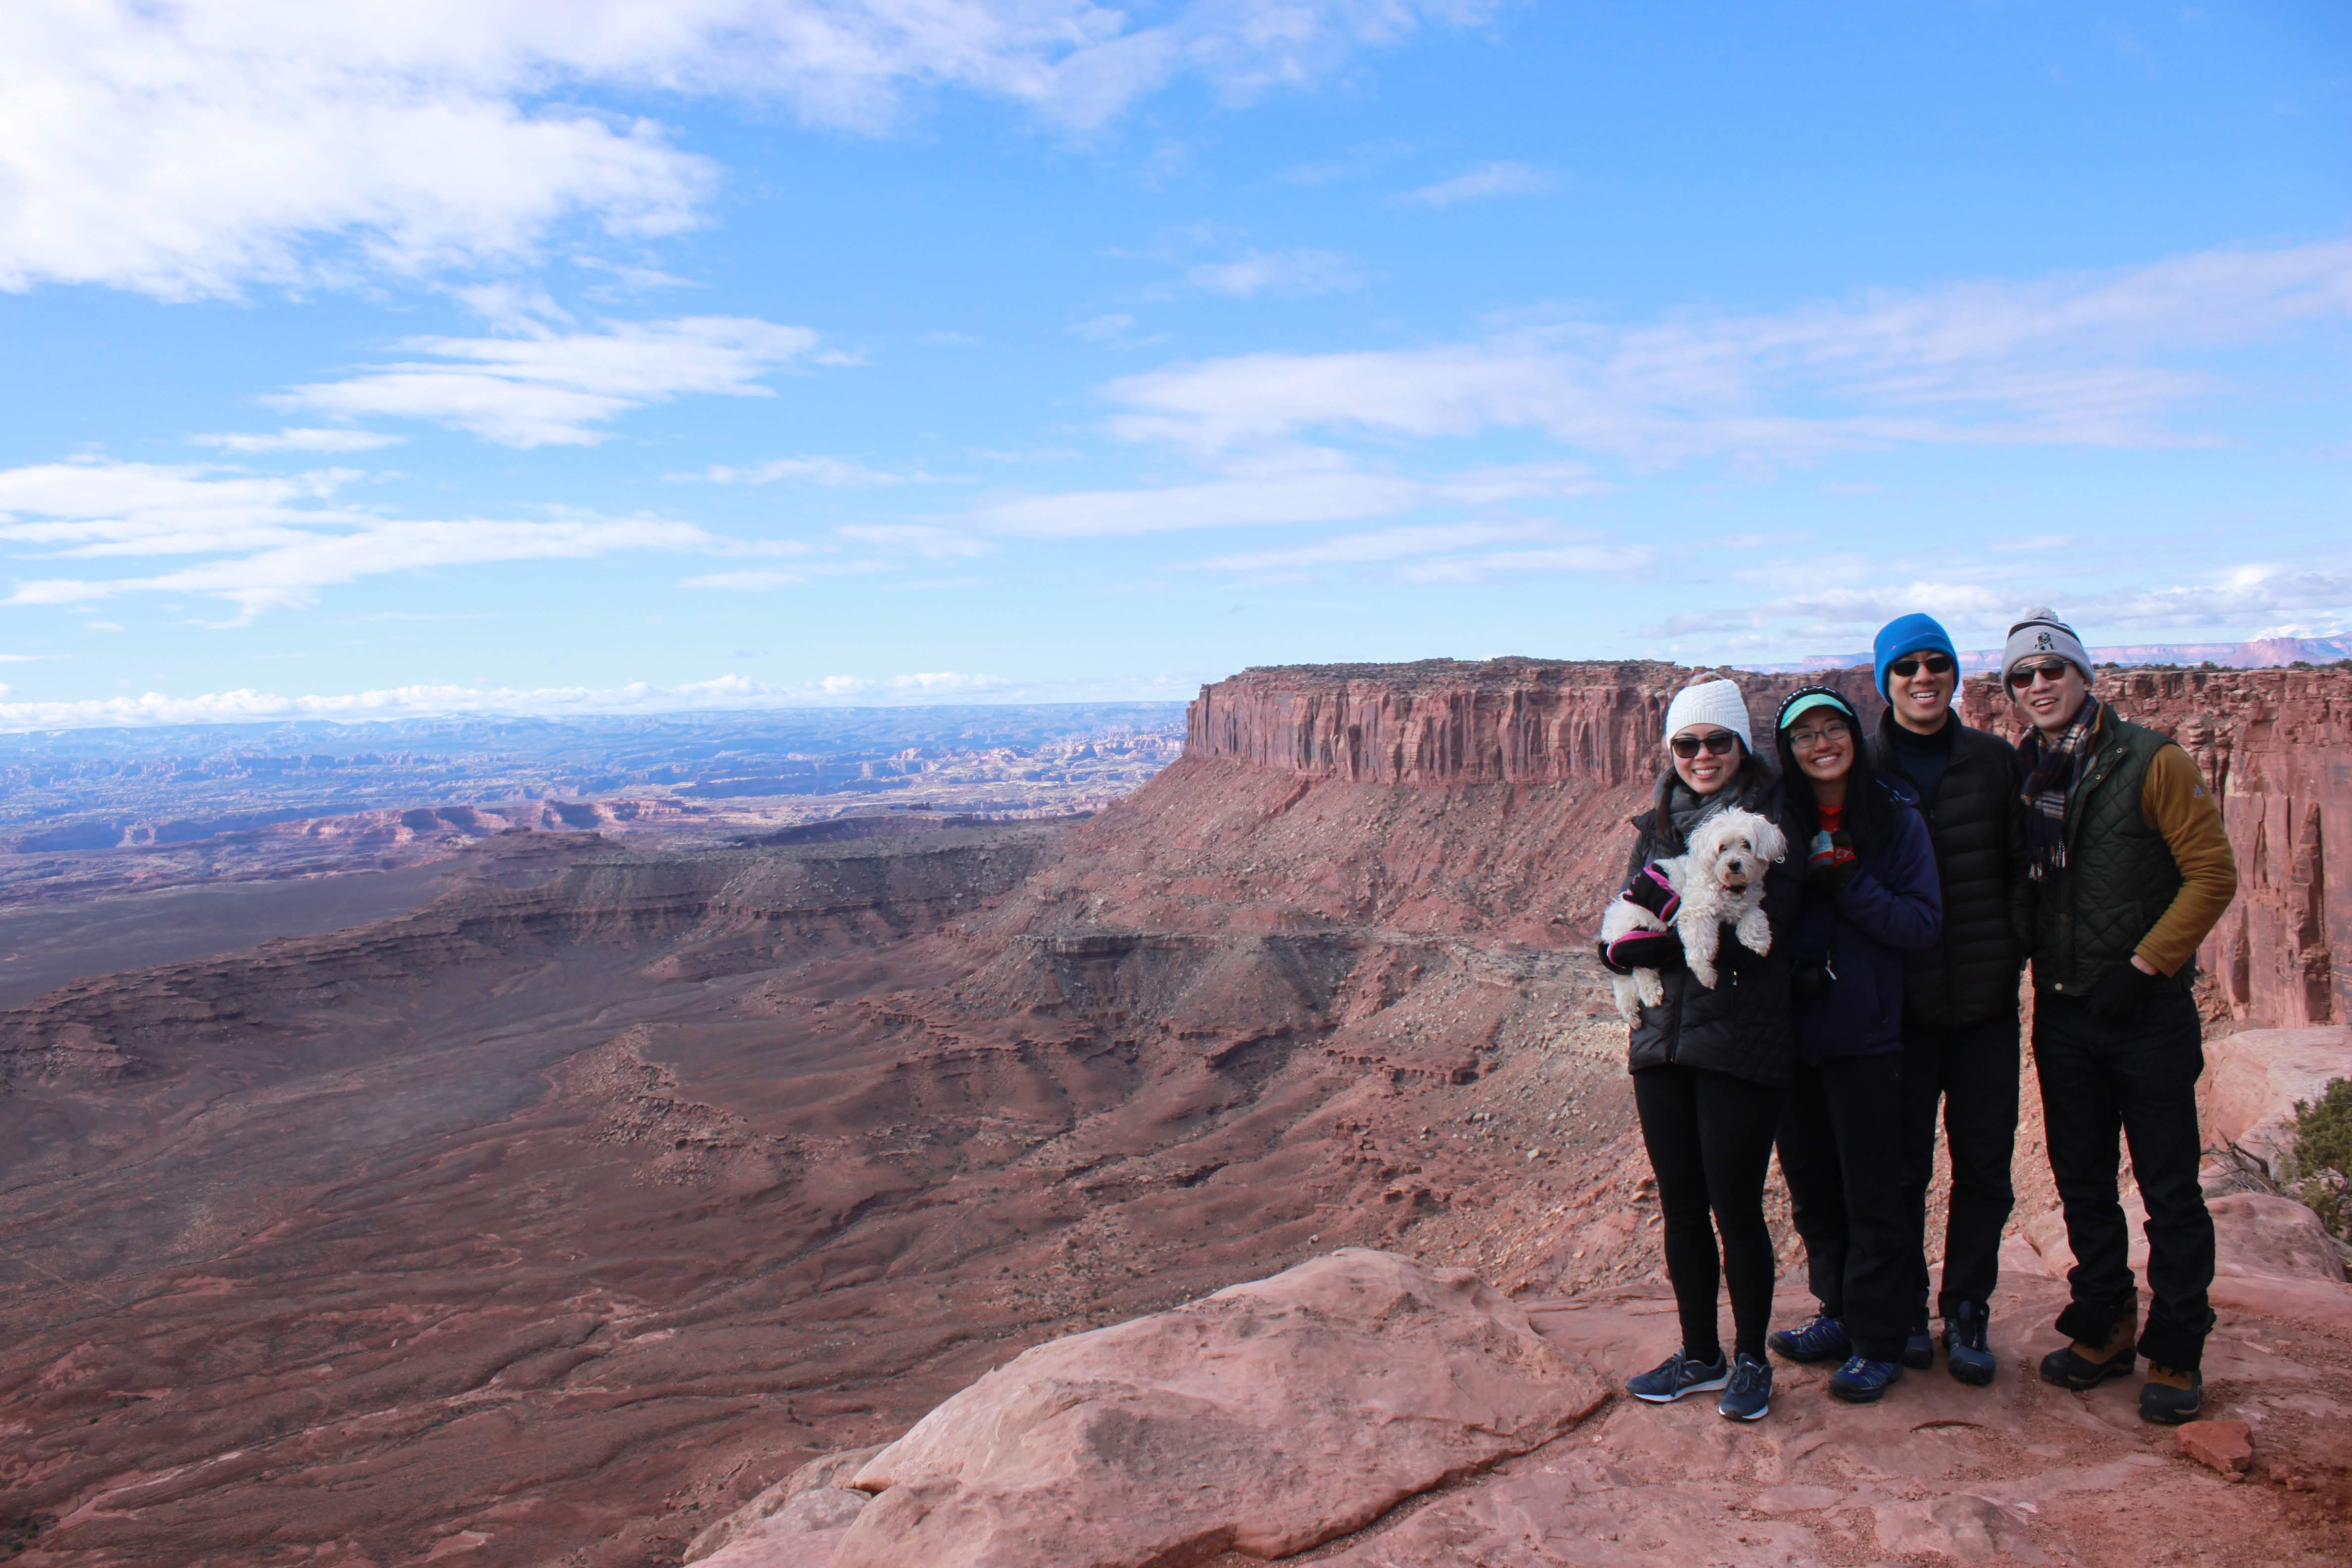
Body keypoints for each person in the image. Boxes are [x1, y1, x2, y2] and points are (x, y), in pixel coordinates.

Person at [2005, 609, 2238, 1424]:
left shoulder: (2152, 760)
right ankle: (2104, 1325)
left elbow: (2211, 875)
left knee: (2170, 1189)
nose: (2039, 685)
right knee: (2083, 1184)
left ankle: (2176, 1349)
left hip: (2147, 1013)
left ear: (2083, 675)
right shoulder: (2026, 772)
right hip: (2064, 1012)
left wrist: (2145, 966)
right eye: (2022, 677)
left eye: (2052, 671)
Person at [1597, 677, 1798, 1422]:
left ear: (1741, 745)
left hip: (1739, 1043)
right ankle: (1699, 1356)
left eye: (1718, 741)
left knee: (1736, 1208)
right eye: (1687, 743)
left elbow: (1774, 935)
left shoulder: (1771, 823)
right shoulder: (1656, 826)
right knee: (1682, 1208)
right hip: (1661, 1044)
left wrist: (1666, 942)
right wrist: (1615, 953)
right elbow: (1625, 918)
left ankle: (1751, 1360)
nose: (1702, 755)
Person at [1763, 686, 1943, 1403]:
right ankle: (1838, 1313)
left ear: (1853, 735)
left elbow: (1922, 925)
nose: (1819, 744)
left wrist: (1850, 881)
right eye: (1803, 735)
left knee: (1874, 1193)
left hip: (1865, 1036)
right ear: (1789, 750)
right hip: (1790, 1037)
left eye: (1831, 728)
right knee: (1814, 1191)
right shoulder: (1776, 821)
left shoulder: (1893, 815)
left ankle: (1881, 1339)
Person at [1866, 614, 2025, 1385]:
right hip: (1900, 1012)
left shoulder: (1995, 762)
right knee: (1901, 1172)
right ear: (1885, 683)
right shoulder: (1862, 769)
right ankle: (1900, 1315)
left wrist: (2012, 957)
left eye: (1938, 663)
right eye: (1907, 668)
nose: (1925, 678)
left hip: (1986, 1007)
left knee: (1986, 1169)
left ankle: (1966, 1308)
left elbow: (2027, 872)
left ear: (1956, 673)